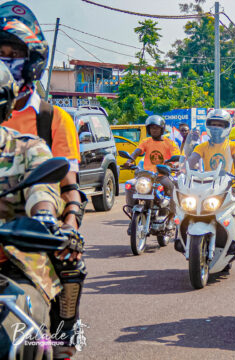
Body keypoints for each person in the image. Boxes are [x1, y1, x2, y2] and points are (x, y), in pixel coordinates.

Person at [0, 4, 86, 357]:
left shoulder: (50, 121)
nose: (5, 61)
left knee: (69, 260)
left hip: (27, 238)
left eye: (12, 54)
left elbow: (61, 185)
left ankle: (65, 336)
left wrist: (60, 223)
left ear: (32, 60)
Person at [188, 109, 235, 249]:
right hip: (207, 187)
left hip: (228, 187)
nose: (216, 128)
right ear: (207, 126)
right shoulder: (202, 146)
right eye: (213, 124)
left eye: (220, 125)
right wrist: (183, 170)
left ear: (227, 126)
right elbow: (192, 160)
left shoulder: (233, 145)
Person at [124, 115, 180, 217]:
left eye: (156, 128)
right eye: (151, 128)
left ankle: (171, 216)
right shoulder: (146, 141)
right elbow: (137, 152)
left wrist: (173, 164)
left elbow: (177, 157)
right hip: (147, 176)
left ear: (162, 129)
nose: (153, 130)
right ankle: (132, 212)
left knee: (171, 186)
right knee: (130, 185)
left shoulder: (170, 143)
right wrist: (129, 161)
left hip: (162, 175)